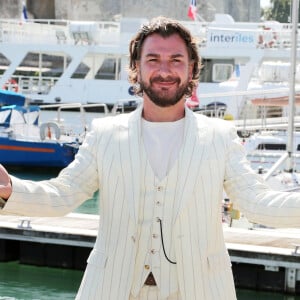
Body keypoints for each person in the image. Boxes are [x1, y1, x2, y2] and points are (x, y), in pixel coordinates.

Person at [1, 16, 300, 300]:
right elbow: (63, 194)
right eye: (153, 59)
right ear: (136, 67)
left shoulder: (221, 137)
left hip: (201, 290)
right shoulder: (104, 134)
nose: (165, 70)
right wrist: (9, 189)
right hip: (111, 289)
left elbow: (257, 203)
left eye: (176, 60)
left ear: (192, 67)